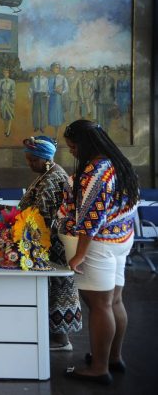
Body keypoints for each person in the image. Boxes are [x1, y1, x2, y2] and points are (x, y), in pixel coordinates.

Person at [58, 119, 139, 385]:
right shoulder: (119, 163)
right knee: (114, 301)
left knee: (99, 305)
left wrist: (79, 255)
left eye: (73, 147)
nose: (72, 152)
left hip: (98, 245)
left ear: (86, 144)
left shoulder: (96, 172)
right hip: (121, 239)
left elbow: (91, 219)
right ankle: (113, 357)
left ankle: (99, 368)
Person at [18, 136, 81, 351]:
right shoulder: (46, 175)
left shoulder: (53, 178)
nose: (29, 164)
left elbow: (42, 215)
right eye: (28, 159)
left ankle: (61, 340)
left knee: (58, 289)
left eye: (33, 160)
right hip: (45, 240)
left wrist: (18, 220)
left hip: (52, 243)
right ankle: (54, 337)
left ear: (46, 159)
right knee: (52, 289)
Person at [48, 62, 68, 139]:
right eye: (56, 67)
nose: (57, 69)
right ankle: (54, 133)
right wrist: (53, 91)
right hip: (52, 99)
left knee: (58, 116)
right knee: (52, 116)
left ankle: (56, 135)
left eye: (58, 67)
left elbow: (66, 89)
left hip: (59, 98)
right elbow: (47, 89)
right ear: (52, 68)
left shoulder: (62, 78)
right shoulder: (50, 78)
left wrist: (61, 92)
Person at [29, 66, 49, 133]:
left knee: (43, 111)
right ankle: (36, 126)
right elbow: (31, 88)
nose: (39, 72)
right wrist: (30, 96)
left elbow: (47, 88)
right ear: (36, 72)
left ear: (42, 72)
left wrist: (47, 95)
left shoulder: (45, 79)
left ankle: (42, 127)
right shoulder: (34, 79)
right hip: (36, 95)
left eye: (41, 71)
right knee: (35, 112)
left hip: (43, 95)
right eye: (38, 71)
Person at [0, 68, 16, 137]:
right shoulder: (0, 81)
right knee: (4, 115)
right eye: (4, 73)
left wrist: (13, 98)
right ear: (3, 73)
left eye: (7, 73)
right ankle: (6, 129)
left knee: (9, 115)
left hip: (9, 99)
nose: (5, 74)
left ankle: (8, 130)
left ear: (9, 74)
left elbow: (13, 90)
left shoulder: (12, 82)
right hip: (2, 99)